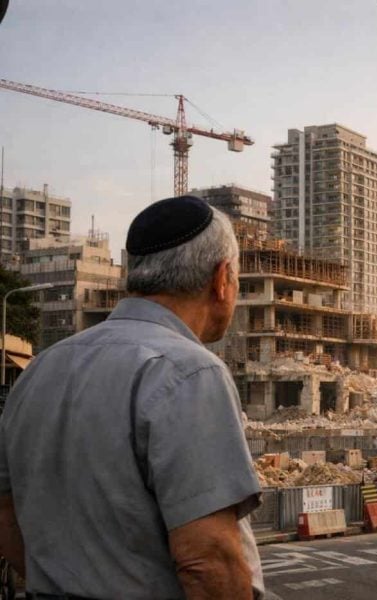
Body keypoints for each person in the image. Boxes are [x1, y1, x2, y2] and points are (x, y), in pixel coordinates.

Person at [0, 196, 263, 599]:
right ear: (222, 278)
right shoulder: (188, 371)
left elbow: (8, 517)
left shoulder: (40, 369)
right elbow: (207, 561)